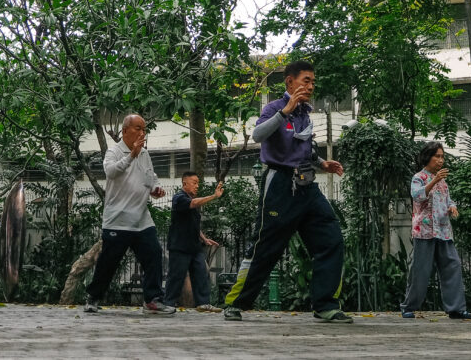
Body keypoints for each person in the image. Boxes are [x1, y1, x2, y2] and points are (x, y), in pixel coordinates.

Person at [222, 60, 351, 322]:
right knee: (266, 246)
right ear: (290, 82)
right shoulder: (274, 108)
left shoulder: (305, 113)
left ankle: (325, 305)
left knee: (331, 239)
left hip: (307, 185)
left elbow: (304, 146)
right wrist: (285, 111)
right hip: (280, 184)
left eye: (313, 82)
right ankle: (235, 303)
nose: (311, 86)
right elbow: (258, 135)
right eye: (306, 81)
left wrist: (322, 163)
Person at [83, 114, 175, 315]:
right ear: (125, 131)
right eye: (138, 128)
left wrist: (156, 189)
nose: (142, 133)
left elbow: (151, 177)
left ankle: (152, 301)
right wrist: (132, 154)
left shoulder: (145, 154)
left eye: (144, 129)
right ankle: (93, 297)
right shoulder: (114, 151)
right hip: (118, 219)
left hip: (142, 219)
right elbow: (110, 172)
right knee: (108, 262)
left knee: (154, 254)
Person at [400, 141, 471, 320]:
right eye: (437, 156)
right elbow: (417, 196)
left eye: (442, 157)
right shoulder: (418, 177)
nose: (441, 160)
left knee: (453, 266)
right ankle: (408, 307)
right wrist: (434, 180)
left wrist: (452, 207)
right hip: (424, 231)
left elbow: (448, 200)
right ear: (428, 157)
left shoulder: (443, 182)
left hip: (443, 231)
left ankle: (456, 309)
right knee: (420, 270)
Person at [164, 172, 224, 312]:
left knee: (201, 274)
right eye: (194, 182)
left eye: (198, 183)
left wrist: (204, 238)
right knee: (176, 276)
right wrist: (214, 196)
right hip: (180, 246)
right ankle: (168, 304)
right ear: (184, 183)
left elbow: (193, 224)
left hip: (194, 246)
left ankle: (203, 303)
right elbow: (194, 203)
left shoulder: (190, 200)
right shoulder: (179, 198)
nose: (197, 186)